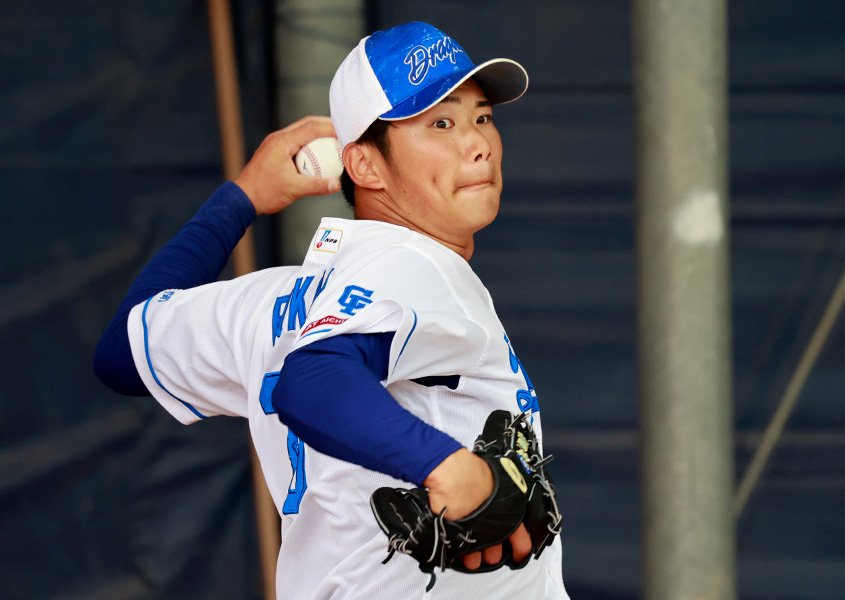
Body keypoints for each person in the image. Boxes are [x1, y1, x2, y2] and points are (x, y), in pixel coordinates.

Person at [94, 21, 567, 600]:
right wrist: (449, 467)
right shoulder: (416, 262)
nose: (478, 143)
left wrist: (241, 197)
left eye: (482, 117)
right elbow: (313, 380)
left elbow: (122, 350)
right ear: (365, 167)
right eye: (440, 122)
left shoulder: (270, 301)